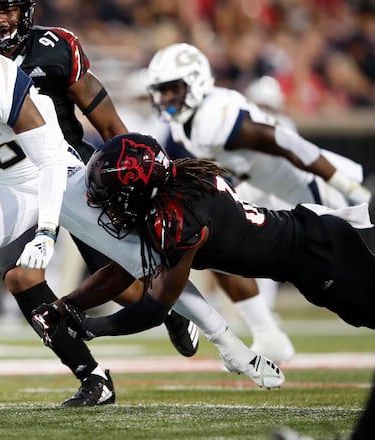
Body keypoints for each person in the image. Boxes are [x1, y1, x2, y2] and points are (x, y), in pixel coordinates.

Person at [0, 11, 283, 398]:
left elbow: (50, 159)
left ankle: (232, 347)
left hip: (62, 175)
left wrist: (47, 232)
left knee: (146, 263)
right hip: (2, 185)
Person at [31, 132, 374, 366]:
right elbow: (126, 268)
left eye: (112, 198)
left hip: (319, 254)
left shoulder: (179, 219)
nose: (108, 208)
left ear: (139, 190)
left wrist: (91, 327)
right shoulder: (172, 191)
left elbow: (153, 308)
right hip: (311, 238)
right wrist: (66, 307)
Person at [145, 43, 373, 362]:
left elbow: (285, 142)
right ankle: (267, 333)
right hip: (275, 195)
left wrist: (343, 184)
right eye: (161, 91)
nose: (165, 99)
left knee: (355, 296)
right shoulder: (187, 127)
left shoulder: (214, 117)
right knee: (210, 240)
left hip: (314, 193)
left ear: (195, 82)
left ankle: (269, 332)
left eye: (172, 89)